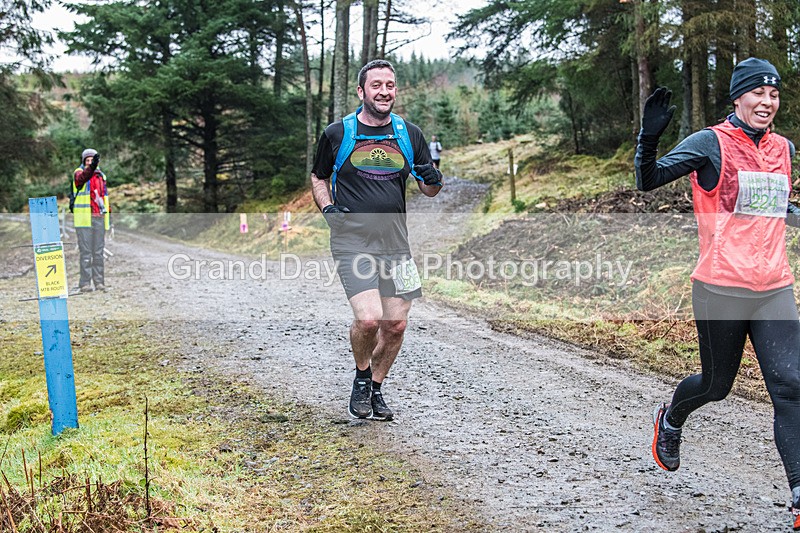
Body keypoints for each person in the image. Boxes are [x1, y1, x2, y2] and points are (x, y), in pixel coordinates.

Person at [635, 57, 800, 529]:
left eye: (774, 94)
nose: (767, 102)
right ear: (737, 96)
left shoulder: (783, 148)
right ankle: (670, 418)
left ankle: (799, 497)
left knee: (792, 385)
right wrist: (649, 137)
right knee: (716, 385)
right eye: (757, 93)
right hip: (721, 286)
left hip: (774, 286)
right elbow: (647, 180)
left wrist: (791, 212)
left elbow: (771, 201)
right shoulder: (711, 143)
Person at [310, 59, 443, 421]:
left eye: (390, 85)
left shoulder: (408, 133)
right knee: (369, 320)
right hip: (353, 241)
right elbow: (319, 176)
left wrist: (434, 177)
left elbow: (428, 190)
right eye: (376, 85)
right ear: (361, 91)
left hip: (397, 245)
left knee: (396, 325)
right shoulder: (338, 133)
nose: (384, 91)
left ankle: (377, 387)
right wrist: (328, 208)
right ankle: (362, 376)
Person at [73, 148, 110, 292]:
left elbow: (105, 199)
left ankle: (99, 282)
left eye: (92, 161)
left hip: (99, 218)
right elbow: (83, 178)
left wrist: (109, 219)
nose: (89, 163)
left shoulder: (102, 176)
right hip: (84, 220)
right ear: (83, 161)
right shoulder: (78, 173)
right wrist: (92, 167)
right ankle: (85, 284)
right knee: (86, 253)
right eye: (87, 161)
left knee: (98, 253)